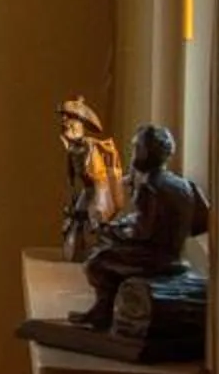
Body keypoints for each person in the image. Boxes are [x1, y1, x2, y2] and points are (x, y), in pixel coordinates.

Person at [76, 123, 211, 329]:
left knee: (97, 262)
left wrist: (111, 230)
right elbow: (201, 222)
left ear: (148, 153)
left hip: (154, 260)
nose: (133, 153)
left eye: (137, 148)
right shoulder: (184, 184)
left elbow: (141, 233)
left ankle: (102, 313)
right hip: (176, 257)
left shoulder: (149, 186)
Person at [60, 97, 124, 263]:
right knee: (76, 221)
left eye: (70, 118)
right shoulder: (72, 150)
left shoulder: (92, 147)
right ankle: (80, 250)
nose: (65, 122)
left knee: (95, 223)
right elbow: (71, 179)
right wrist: (71, 202)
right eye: (64, 118)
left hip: (97, 190)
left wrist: (97, 203)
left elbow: (98, 177)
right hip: (87, 190)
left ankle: (101, 253)